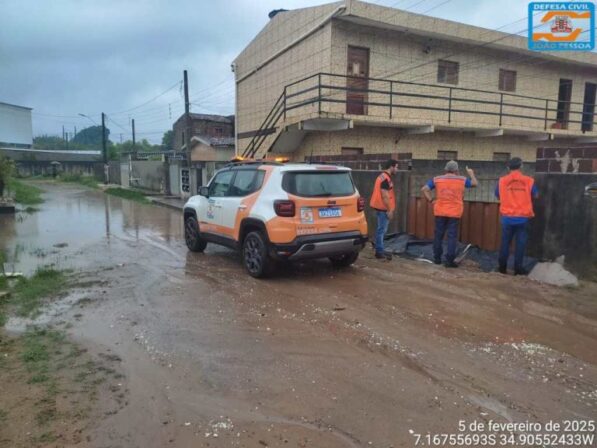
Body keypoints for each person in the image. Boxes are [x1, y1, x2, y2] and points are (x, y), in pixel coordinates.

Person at [421, 160, 477, 268]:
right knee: (452, 237)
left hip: (440, 211)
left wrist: (431, 200)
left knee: (438, 236)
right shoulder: (462, 180)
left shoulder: (437, 179)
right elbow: (474, 183)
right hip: (454, 213)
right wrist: (471, 174)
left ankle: (437, 259)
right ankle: (449, 261)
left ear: (445, 169)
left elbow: (424, 189)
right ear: (456, 170)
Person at [495, 157, 538, 275]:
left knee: (505, 243)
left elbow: (497, 194)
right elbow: (536, 194)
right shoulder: (529, 180)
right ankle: (518, 269)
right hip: (523, 218)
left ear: (508, 167)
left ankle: (502, 267)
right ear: (521, 166)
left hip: (507, 218)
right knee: (520, 244)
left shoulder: (502, 181)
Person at [369, 159, 399, 260]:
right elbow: (385, 196)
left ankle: (379, 248)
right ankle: (379, 252)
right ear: (391, 166)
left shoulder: (382, 177)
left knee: (381, 230)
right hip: (383, 208)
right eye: (396, 167)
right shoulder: (386, 179)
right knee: (381, 230)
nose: (397, 169)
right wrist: (390, 210)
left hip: (380, 207)